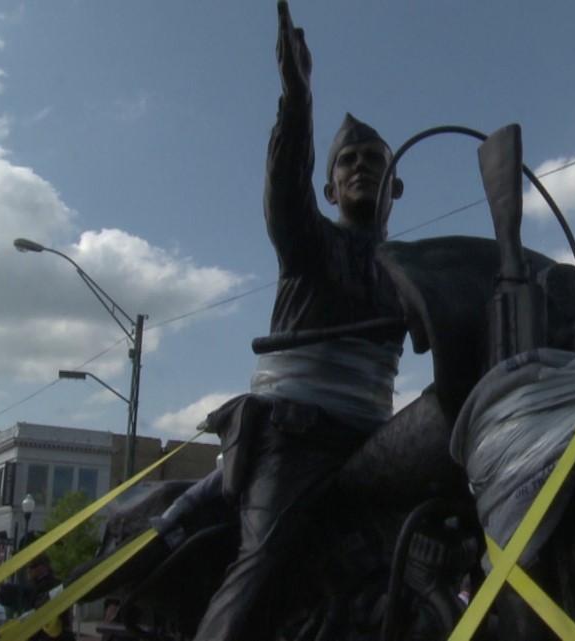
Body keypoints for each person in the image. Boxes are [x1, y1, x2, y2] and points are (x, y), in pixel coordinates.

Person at [187, 2, 407, 640]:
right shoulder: (310, 244)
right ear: (331, 190)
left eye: (374, 157)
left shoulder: (413, 272)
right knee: (264, 560)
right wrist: (297, 97)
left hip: (378, 440)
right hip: (296, 434)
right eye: (347, 161)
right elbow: (286, 181)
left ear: (397, 184)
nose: (361, 164)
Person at [26, 553, 75, 641]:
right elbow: (69, 612)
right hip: (60, 634)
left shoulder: (38, 587)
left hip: (42, 634)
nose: (29, 570)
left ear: (43, 567)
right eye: (28, 567)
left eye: (32, 566)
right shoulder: (59, 584)